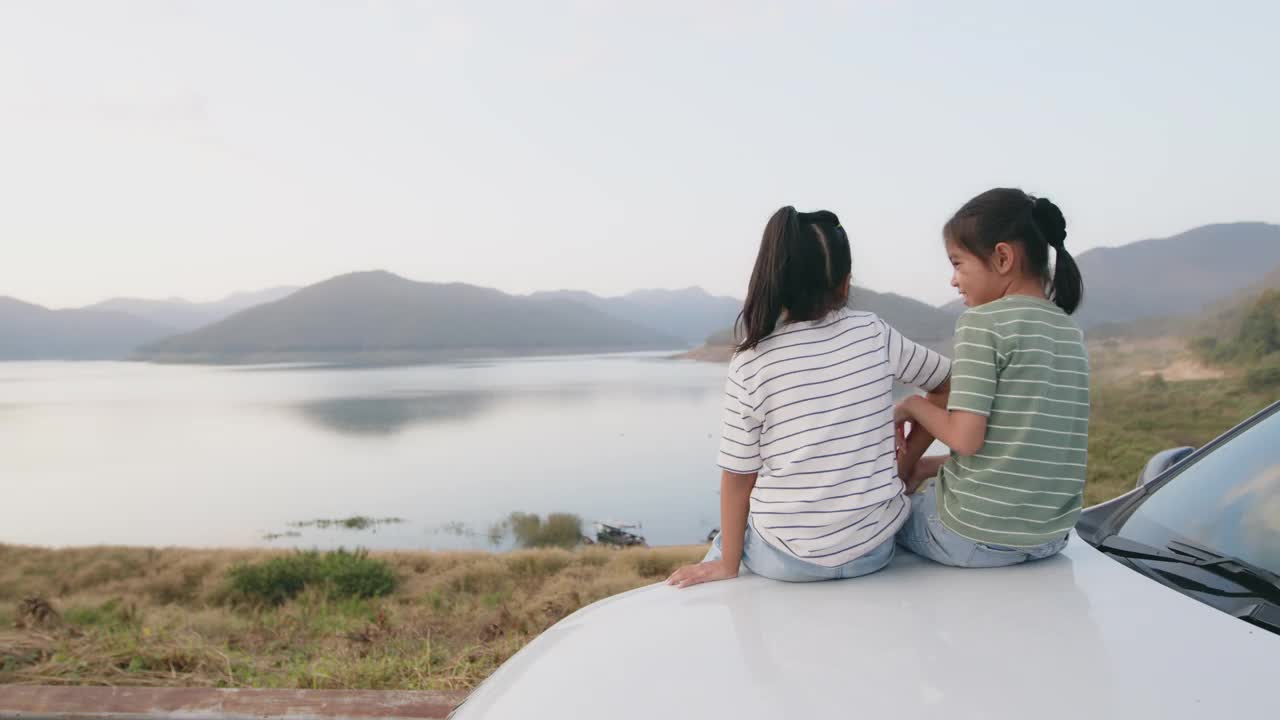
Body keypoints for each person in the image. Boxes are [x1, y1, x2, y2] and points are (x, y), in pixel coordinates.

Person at [667, 206, 950, 587]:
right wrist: (907, 463)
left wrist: (727, 565)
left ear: (775, 280)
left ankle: (720, 562)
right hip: (874, 551)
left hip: (786, 561)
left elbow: (738, 476)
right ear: (845, 284)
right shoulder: (873, 333)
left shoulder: (751, 361)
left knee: (727, 541)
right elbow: (948, 384)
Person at [895, 188, 1088, 568]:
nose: (953, 280)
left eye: (958, 264)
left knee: (878, 521)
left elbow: (967, 439)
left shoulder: (983, 323)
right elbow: (1018, 452)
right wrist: (925, 469)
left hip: (973, 538)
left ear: (1002, 258)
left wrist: (914, 405)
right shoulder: (1069, 332)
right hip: (1050, 538)